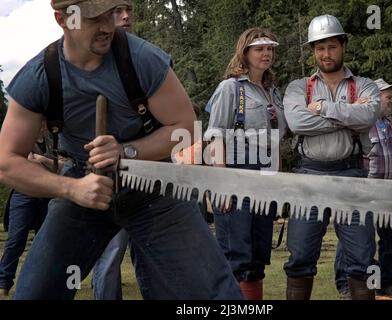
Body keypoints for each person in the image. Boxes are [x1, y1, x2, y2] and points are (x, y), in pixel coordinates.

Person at [0, 0, 242, 300]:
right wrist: (72, 189)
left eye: (110, 14)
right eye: (93, 19)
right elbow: (6, 161)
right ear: (62, 19)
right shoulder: (39, 76)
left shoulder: (142, 59)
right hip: (84, 185)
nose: (107, 27)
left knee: (215, 294)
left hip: (153, 187)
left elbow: (186, 127)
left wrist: (127, 152)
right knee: (34, 294)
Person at [283, 14, 380, 300]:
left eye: (332, 47)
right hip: (308, 176)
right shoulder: (298, 87)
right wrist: (348, 115)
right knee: (299, 258)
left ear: (343, 46)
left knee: (362, 259)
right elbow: (298, 123)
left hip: (351, 175)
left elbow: (369, 115)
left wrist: (322, 106)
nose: (326, 54)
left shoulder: (366, 86)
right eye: (319, 48)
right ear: (313, 51)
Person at [204, 27, 287, 299]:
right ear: (245, 52)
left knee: (257, 255)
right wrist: (222, 183)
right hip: (235, 171)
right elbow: (215, 135)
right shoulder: (230, 88)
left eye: (270, 49)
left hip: (264, 174)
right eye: (260, 48)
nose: (267, 53)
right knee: (236, 255)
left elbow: (277, 140)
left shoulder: (272, 92)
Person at [335, 78, 392, 297]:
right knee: (356, 240)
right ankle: (346, 283)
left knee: (391, 242)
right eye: (388, 94)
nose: (391, 98)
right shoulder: (361, 126)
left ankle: (385, 282)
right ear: (375, 98)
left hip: (391, 193)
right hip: (365, 194)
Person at [90, 0, 133, 301]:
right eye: (118, 11)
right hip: (106, 174)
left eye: (129, 9)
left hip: (145, 172)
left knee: (155, 258)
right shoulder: (91, 61)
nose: (126, 16)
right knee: (111, 252)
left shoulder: (145, 58)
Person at [0, 120, 52, 298]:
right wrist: (50, 164)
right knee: (16, 240)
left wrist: (43, 160)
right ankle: (3, 282)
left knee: (44, 243)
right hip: (24, 193)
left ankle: (38, 282)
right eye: (41, 123)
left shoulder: (53, 141)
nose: (43, 126)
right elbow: (25, 164)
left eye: (45, 123)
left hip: (47, 196)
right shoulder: (24, 140)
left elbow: (63, 165)